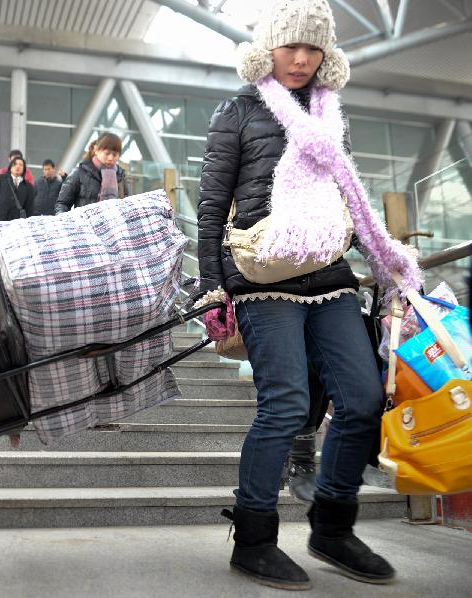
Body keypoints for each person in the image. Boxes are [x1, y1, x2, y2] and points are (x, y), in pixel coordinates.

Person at [193, 0, 421, 590]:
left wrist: (386, 262)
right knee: (288, 404)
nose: (300, 58)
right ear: (266, 49)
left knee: (364, 398)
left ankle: (333, 527)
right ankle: (254, 537)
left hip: (330, 275)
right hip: (264, 278)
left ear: (327, 55)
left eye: (312, 47)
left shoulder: (330, 112)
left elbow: (349, 194)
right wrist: (213, 284)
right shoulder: (237, 111)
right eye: (289, 45)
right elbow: (213, 206)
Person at [55, 132, 127, 214]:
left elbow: (125, 204)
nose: (110, 158)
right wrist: (66, 224)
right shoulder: (80, 172)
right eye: (107, 153)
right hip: (83, 225)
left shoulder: (120, 176)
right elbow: (63, 204)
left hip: (112, 225)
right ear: (96, 150)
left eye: (114, 155)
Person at [0, 155, 34, 221]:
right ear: (10, 167)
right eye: (15, 164)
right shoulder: (0, 179)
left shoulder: (28, 186)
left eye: (21, 165)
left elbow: (29, 208)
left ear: (24, 169)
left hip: (17, 223)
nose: (18, 166)